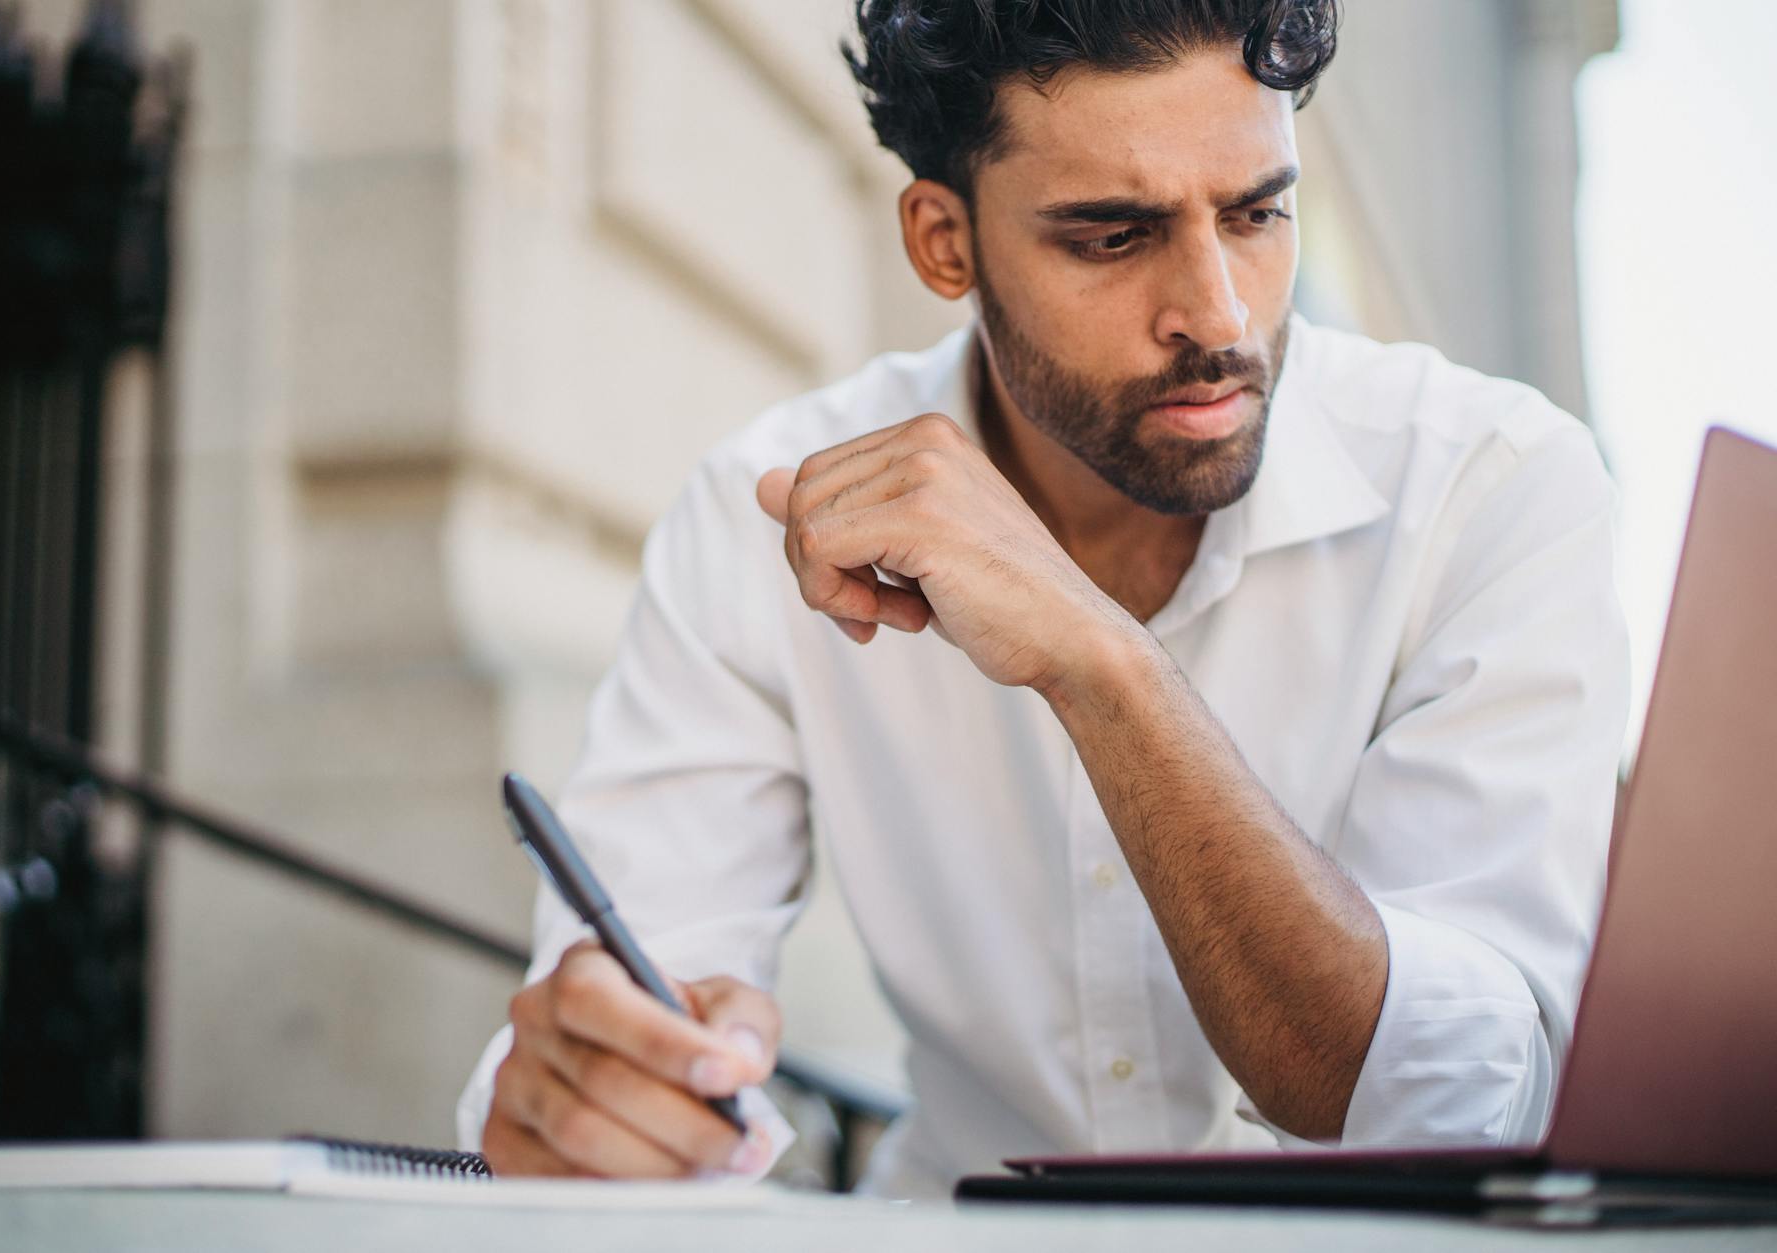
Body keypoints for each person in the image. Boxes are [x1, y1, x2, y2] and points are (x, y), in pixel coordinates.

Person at [456, 0, 1629, 1199]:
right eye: (1114, 236)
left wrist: (1100, 666)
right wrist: (601, 1093)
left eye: (1254, 213)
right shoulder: (761, 511)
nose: (1218, 315)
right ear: (943, 243)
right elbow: (639, 995)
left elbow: (1456, 1098)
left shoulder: (1489, 489)